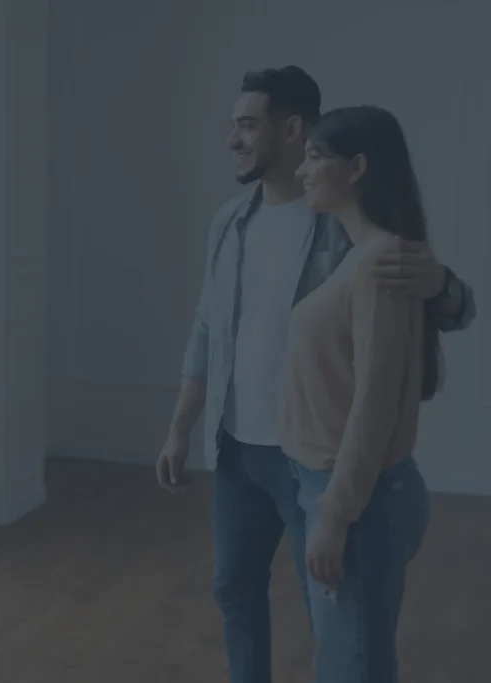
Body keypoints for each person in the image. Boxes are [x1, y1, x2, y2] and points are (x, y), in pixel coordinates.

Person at [155, 66, 475, 683]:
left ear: (291, 129)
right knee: (233, 591)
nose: (233, 140)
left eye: (247, 125)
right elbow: (206, 329)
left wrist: (443, 284)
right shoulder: (229, 222)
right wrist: (179, 427)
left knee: (332, 616)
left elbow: (445, 312)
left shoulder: (348, 222)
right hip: (237, 450)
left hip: (313, 457)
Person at [281, 104, 437, 682]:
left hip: (358, 501)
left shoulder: (379, 264)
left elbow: (375, 404)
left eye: (314, 157)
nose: (301, 170)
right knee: (347, 661)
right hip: (334, 490)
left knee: (352, 668)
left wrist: (335, 514)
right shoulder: (358, 256)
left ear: (357, 168)